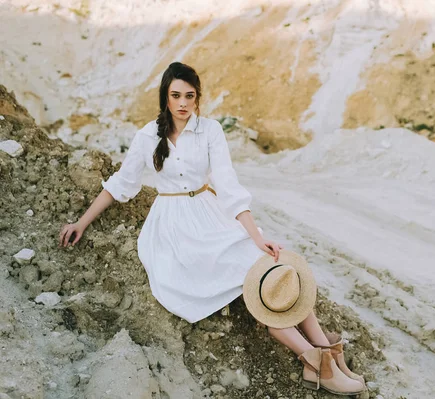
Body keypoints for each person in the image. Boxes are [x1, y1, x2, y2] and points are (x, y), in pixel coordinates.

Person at [58, 62, 365, 395]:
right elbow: (122, 184)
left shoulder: (210, 131)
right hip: (174, 225)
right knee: (253, 279)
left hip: (210, 210)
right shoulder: (147, 136)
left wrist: (256, 236)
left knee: (273, 267)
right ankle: (315, 360)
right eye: (176, 95)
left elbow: (228, 186)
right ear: (165, 96)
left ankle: (329, 355)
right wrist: (81, 222)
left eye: (190, 96)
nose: (183, 103)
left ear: (197, 98)